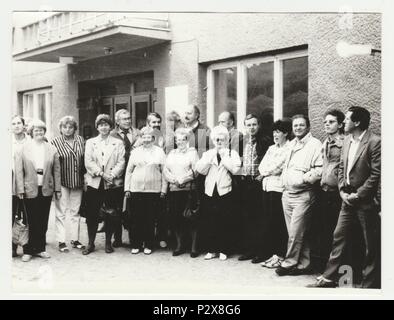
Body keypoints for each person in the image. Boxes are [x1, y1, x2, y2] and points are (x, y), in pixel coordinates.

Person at [308, 106, 381, 288]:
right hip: (346, 198)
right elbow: (342, 168)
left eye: (347, 119)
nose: (344, 122)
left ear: (357, 122)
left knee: (369, 243)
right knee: (338, 236)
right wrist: (342, 191)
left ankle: (368, 283)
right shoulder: (348, 140)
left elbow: (376, 174)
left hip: (364, 200)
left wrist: (359, 194)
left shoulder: (374, 142)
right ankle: (329, 277)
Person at [275, 114, 323, 276]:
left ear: (308, 127)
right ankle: (304, 264)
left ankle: (289, 263)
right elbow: (284, 166)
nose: (298, 128)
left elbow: (320, 169)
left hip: (303, 194)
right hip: (287, 194)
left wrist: (303, 179)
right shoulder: (291, 144)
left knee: (295, 232)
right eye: (295, 125)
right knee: (296, 232)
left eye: (301, 125)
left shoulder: (315, 144)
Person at [15, 119, 61, 262]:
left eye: (41, 130)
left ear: (44, 132)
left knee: (43, 220)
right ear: (31, 132)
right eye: (36, 130)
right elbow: (19, 171)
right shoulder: (23, 149)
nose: (39, 132)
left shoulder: (51, 148)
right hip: (29, 189)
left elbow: (57, 171)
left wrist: (57, 189)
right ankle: (28, 250)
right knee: (30, 221)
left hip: (46, 188)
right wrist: (20, 189)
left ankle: (40, 249)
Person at [196, 126, 241, 260]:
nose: (219, 142)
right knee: (210, 221)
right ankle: (212, 249)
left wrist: (223, 157)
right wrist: (209, 159)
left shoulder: (232, 153)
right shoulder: (208, 153)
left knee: (225, 221)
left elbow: (236, 170)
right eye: (216, 139)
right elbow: (200, 170)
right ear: (213, 140)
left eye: (222, 139)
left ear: (227, 140)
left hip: (225, 191)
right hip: (210, 191)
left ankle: (224, 250)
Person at [82, 114, 126, 255]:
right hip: (95, 182)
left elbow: (121, 162)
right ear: (97, 127)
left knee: (111, 213)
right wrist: (102, 174)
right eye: (101, 125)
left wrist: (112, 175)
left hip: (111, 183)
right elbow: (88, 162)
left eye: (106, 124)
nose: (104, 127)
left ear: (110, 126)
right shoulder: (90, 142)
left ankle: (108, 243)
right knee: (92, 214)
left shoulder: (118, 143)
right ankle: (90, 243)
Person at [124, 126, 167, 255]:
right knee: (136, 219)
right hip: (136, 189)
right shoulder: (135, 152)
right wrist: (127, 188)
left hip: (153, 190)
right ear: (141, 138)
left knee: (150, 219)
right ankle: (136, 244)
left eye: (149, 137)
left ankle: (148, 244)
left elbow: (164, 172)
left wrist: (164, 189)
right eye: (144, 137)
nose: (146, 140)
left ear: (153, 138)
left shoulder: (159, 152)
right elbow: (129, 171)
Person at [239, 114, 272, 263]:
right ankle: (249, 249)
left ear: (258, 126)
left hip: (259, 182)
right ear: (245, 127)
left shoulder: (265, 141)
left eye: (254, 125)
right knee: (247, 217)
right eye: (248, 125)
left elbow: (269, 161)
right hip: (246, 182)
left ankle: (261, 251)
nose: (251, 128)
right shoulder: (242, 141)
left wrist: (262, 176)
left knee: (260, 218)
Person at [259, 119, 292, 269]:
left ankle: (280, 255)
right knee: (270, 223)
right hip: (267, 188)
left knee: (279, 224)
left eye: (278, 131)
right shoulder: (272, 148)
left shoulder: (289, 148)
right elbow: (262, 167)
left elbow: (277, 167)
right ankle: (273, 255)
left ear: (286, 133)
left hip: (278, 189)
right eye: (274, 132)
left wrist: (266, 171)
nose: (275, 134)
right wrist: (266, 171)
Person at [51, 116, 86, 253]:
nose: (67, 129)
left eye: (70, 127)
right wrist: (56, 186)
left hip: (77, 182)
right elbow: (54, 165)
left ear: (74, 128)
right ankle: (61, 241)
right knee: (61, 212)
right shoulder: (55, 142)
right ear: (60, 128)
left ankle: (75, 239)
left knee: (75, 212)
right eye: (64, 127)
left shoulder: (80, 140)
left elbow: (83, 161)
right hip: (63, 182)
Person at [163, 128, 200, 257]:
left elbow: (196, 170)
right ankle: (180, 245)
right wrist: (174, 180)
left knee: (191, 218)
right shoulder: (172, 153)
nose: (180, 142)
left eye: (183, 139)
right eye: (177, 140)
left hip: (188, 189)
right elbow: (165, 170)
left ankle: (194, 247)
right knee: (176, 218)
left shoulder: (192, 152)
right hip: (174, 189)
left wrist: (183, 179)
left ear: (187, 140)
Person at [108, 109, 141, 246]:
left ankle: (134, 237)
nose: (127, 121)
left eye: (128, 118)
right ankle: (118, 238)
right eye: (124, 119)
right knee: (116, 207)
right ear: (117, 121)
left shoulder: (137, 133)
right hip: (119, 175)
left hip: (135, 174)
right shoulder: (112, 135)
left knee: (133, 207)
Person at [318, 109, 345, 265]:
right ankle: (327, 267)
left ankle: (339, 269)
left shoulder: (344, 143)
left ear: (340, 124)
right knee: (325, 229)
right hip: (324, 191)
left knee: (338, 232)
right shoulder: (325, 142)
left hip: (337, 193)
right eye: (325, 122)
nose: (327, 125)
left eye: (331, 122)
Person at [11, 115, 30, 257]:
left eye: (19, 123)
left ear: (24, 125)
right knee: (11, 215)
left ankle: (27, 248)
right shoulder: (6, 142)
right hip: (10, 181)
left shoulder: (30, 141)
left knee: (27, 215)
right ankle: (11, 246)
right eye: (14, 123)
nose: (16, 126)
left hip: (27, 180)